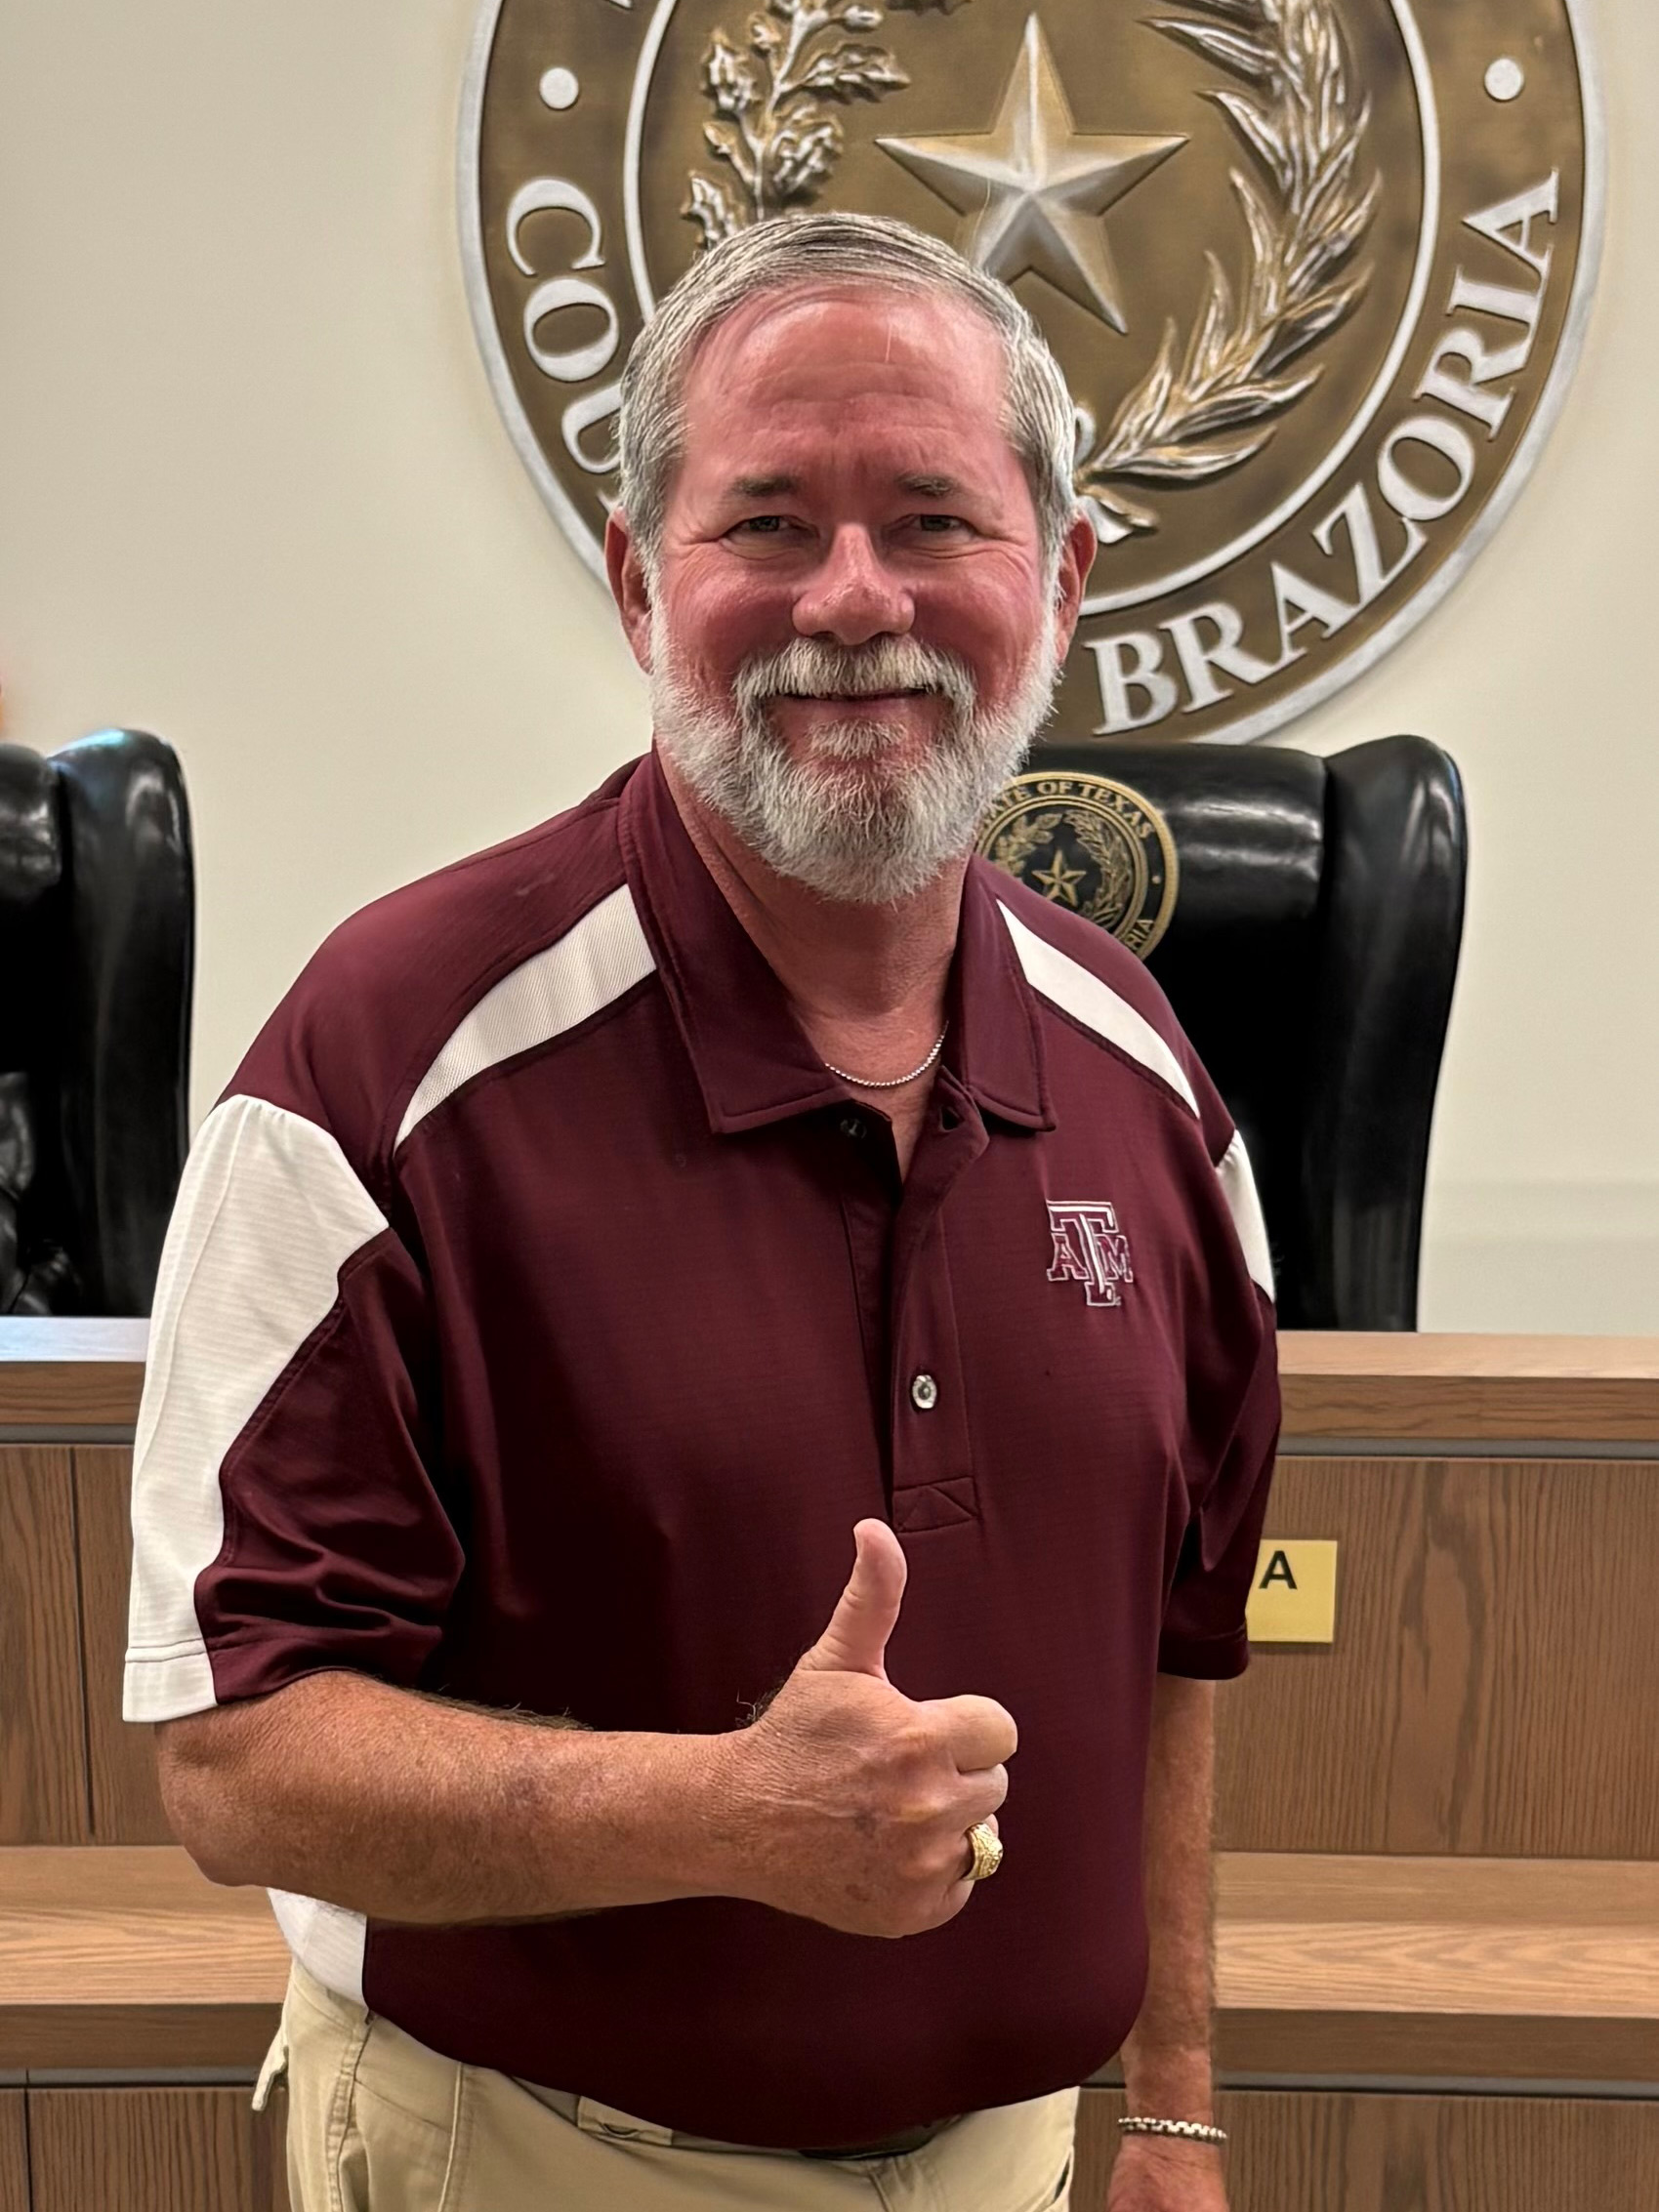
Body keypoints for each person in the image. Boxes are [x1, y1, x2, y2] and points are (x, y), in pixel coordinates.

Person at [125, 212, 1278, 2211]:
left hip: (1014, 2164)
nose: (853, 599)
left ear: (1061, 580)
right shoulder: (387, 1062)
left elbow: (1179, 1636)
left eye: (931, 517)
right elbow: (236, 1762)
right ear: (639, 577)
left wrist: (1166, 2088)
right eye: (767, 523)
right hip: (530, 2157)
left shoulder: (1146, 1076)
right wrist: (722, 1809)